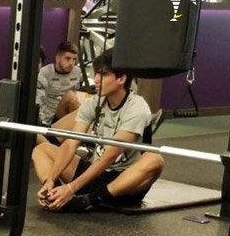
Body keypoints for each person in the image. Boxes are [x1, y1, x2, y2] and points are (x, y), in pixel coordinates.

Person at [32, 49, 163, 213]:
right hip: (95, 174)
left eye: (103, 74)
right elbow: (71, 143)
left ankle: (88, 200)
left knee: (155, 159)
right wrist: (51, 179)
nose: (96, 79)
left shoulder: (137, 108)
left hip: (124, 182)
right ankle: (54, 196)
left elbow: (109, 156)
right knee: (41, 149)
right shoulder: (94, 102)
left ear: (121, 79)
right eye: (96, 74)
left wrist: (71, 188)